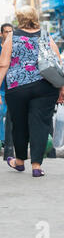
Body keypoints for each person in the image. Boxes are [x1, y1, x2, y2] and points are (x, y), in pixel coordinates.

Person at [0, 6, 64, 177]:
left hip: (17, 88)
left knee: (19, 123)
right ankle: (36, 166)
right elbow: (56, 62)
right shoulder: (45, 35)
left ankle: (20, 161)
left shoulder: (12, 36)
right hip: (44, 86)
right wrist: (61, 88)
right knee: (41, 124)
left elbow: (4, 64)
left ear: (20, 18)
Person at [0, 23, 13, 154]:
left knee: (12, 116)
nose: (8, 34)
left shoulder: (15, 47)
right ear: (1, 34)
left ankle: (9, 141)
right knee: (0, 114)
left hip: (13, 88)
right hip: (1, 88)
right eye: (6, 32)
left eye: (10, 32)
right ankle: (3, 140)